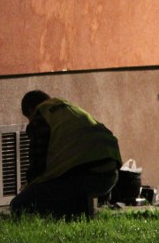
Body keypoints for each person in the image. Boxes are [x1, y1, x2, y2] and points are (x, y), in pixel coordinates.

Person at [10, 90, 123, 218]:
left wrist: (30, 185)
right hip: (110, 175)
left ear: (31, 110)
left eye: (28, 118)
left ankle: (71, 215)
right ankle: (80, 211)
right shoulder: (70, 108)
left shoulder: (41, 117)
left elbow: (38, 160)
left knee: (18, 204)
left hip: (84, 177)